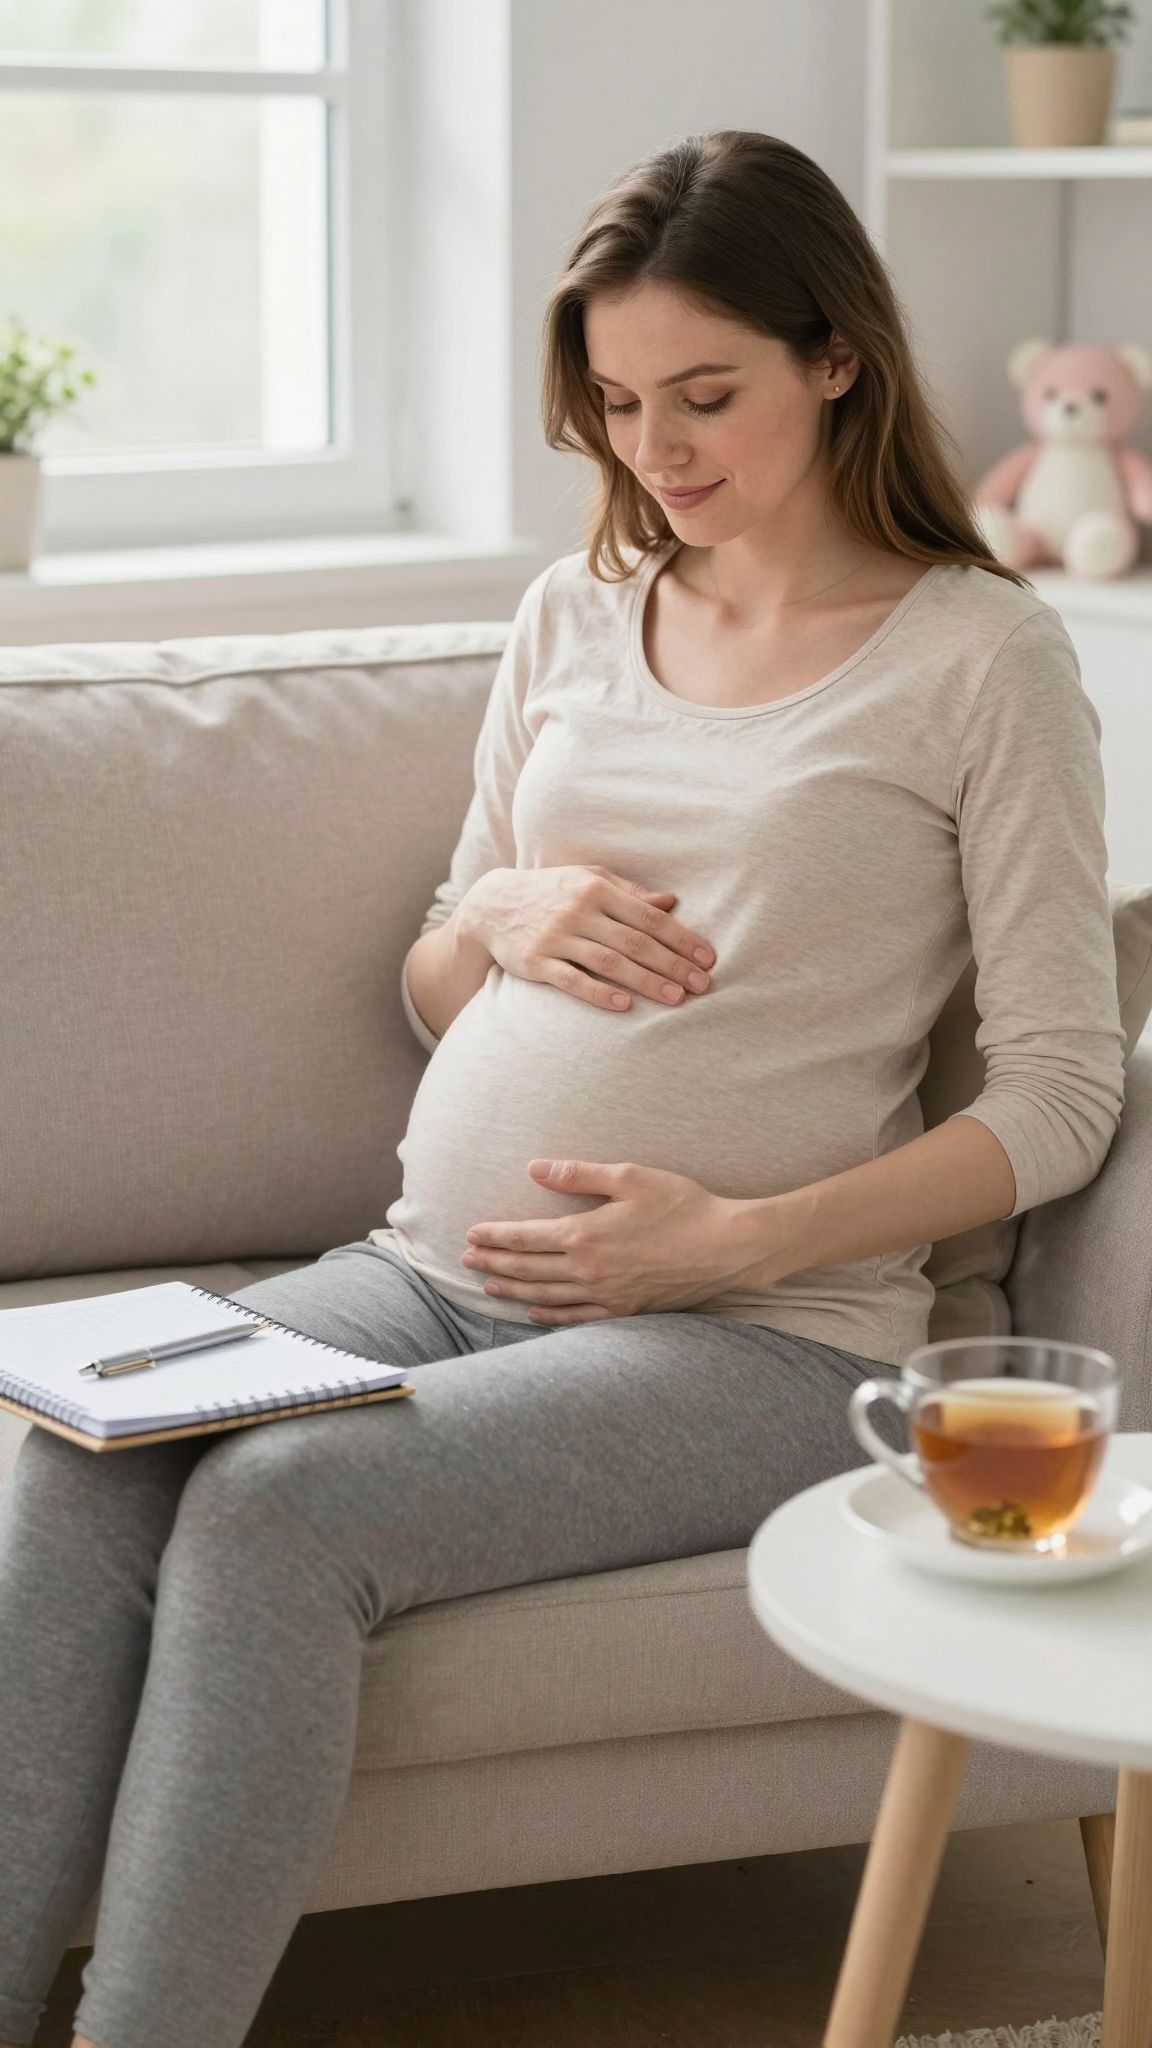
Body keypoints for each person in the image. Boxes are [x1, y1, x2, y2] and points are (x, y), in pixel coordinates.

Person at [0, 129, 1124, 2048]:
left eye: (707, 395)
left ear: (834, 358)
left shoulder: (982, 660)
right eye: (615, 404)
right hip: (430, 1266)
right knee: (84, 1465)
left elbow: (1064, 1095)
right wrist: (501, 909)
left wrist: (739, 1234)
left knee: (281, 1512)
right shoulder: (576, 614)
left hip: (763, 1332)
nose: (657, 453)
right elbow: (439, 981)